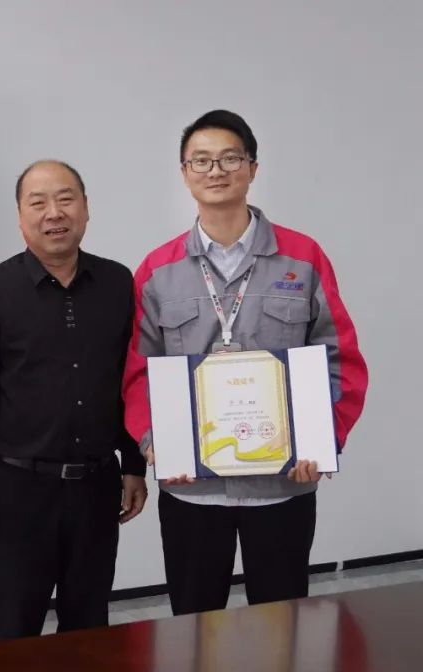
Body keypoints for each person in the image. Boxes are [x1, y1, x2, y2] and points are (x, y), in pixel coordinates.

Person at [122, 110, 368, 615]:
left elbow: (340, 357)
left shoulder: (303, 258)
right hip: (193, 492)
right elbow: (137, 371)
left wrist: (323, 440)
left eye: (230, 158)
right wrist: (155, 441)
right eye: (202, 160)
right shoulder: (157, 270)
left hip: (282, 487)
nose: (216, 171)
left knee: (282, 626)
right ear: (185, 172)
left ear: (252, 168)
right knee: (193, 625)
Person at [0, 159, 148, 640]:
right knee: (17, 629)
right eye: (38, 203)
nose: (54, 213)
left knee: (89, 626)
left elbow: (127, 383)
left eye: (65, 199)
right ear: (21, 217)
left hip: (96, 486)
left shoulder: (117, 283)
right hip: (18, 490)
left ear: (85, 208)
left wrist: (133, 465)